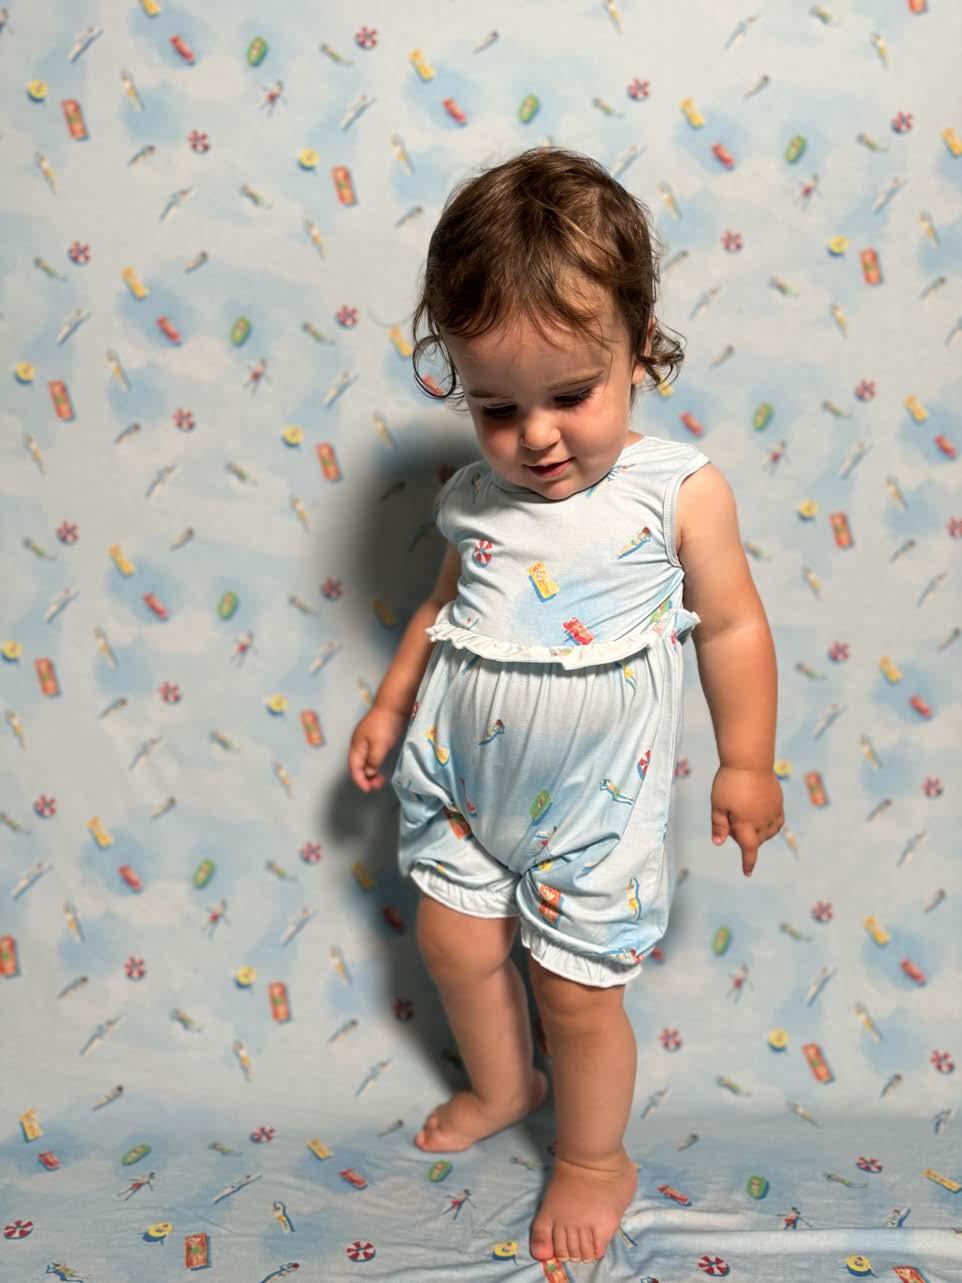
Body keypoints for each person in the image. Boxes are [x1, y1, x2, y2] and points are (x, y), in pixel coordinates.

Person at [348, 146, 784, 1266]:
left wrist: (747, 761)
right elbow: (443, 610)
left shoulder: (674, 492)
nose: (535, 436)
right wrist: (390, 707)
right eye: (496, 406)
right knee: (453, 946)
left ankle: (593, 1156)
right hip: (459, 783)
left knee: (575, 992)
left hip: (592, 810)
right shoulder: (472, 496)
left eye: (571, 395)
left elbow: (733, 627)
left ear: (639, 348)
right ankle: (505, 1084)